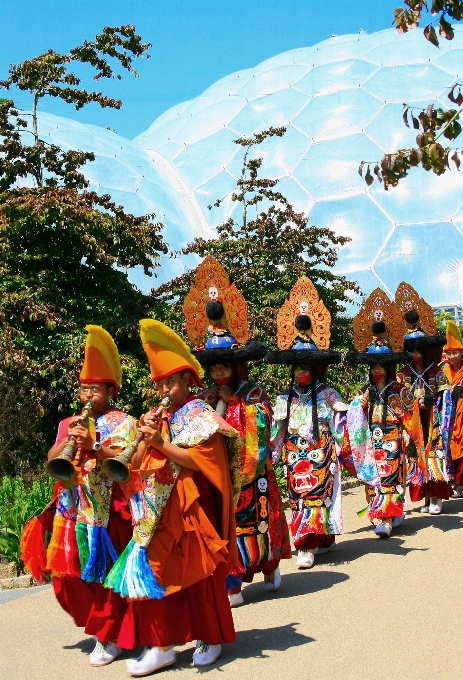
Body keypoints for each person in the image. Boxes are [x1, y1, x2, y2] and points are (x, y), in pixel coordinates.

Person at [104, 319, 239, 676]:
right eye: (161, 383)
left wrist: (162, 443)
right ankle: (162, 645)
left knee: (200, 576)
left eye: (171, 381)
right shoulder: (157, 416)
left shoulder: (200, 414)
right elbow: (134, 464)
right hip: (157, 510)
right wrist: (143, 437)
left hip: (194, 508)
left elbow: (202, 461)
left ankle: (210, 636)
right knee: (159, 574)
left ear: (187, 382)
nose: (165, 388)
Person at [21, 325, 138, 667]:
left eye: (95, 389)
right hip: (71, 513)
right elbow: (52, 458)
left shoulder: (124, 422)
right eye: (84, 388)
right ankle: (101, 627)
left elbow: (129, 462)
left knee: (105, 580)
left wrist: (94, 445)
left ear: (110, 390)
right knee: (65, 579)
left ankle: (108, 634)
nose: (88, 395)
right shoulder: (69, 422)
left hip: (107, 515)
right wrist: (70, 440)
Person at [184, 256, 291, 607]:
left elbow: (262, 428)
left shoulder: (254, 396)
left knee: (258, 521)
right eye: (213, 367)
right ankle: (231, 581)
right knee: (224, 527)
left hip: (250, 474)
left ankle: (270, 565)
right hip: (216, 477)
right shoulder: (201, 398)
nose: (218, 373)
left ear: (237, 365)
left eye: (224, 366)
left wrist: (234, 406)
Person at [267, 276, 346, 569]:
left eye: (306, 365)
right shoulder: (283, 399)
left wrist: (343, 450)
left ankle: (315, 542)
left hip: (321, 452)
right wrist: (268, 456)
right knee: (299, 497)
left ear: (316, 367)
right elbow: (276, 433)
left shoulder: (328, 395)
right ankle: (306, 542)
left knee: (318, 497)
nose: (301, 370)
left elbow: (341, 428)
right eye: (297, 366)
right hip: (293, 453)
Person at [346, 288, 412, 537]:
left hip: (392, 438)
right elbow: (355, 415)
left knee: (391, 477)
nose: (376, 370)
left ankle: (390, 512)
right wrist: (359, 405)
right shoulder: (367, 390)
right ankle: (380, 516)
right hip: (372, 439)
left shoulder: (398, 389)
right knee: (375, 480)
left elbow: (409, 417)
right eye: (372, 366)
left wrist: (407, 440)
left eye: (380, 366)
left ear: (388, 366)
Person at [394, 285, 451, 515]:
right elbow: (398, 394)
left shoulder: (435, 370)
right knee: (417, 456)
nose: (416, 353)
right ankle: (425, 497)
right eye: (412, 349)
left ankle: (436, 495)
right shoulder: (403, 373)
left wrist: (434, 397)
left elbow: (445, 391)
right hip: (413, 421)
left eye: (419, 349)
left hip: (433, 418)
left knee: (433, 454)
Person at [442, 321, 463, 497]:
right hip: (450, 416)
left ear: (462, 352)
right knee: (452, 447)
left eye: (455, 352)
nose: (452, 356)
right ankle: (457, 482)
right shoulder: (444, 371)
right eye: (449, 353)